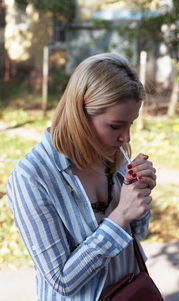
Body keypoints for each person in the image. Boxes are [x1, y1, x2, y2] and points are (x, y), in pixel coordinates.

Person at [7, 52, 156, 301]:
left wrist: (140, 193)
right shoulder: (32, 178)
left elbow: (137, 234)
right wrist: (119, 216)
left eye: (131, 124)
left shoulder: (114, 155)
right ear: (80, 116)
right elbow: (61, 281)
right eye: (116, 126)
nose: (126, 138)